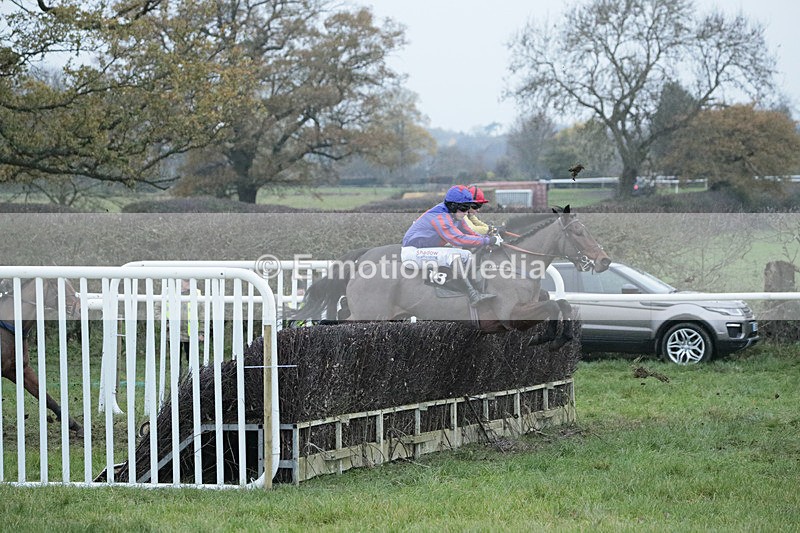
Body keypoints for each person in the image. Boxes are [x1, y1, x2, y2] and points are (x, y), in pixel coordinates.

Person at [401, 185, 502, 305]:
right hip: (412, 253)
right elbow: (457, 239)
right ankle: (473, 295)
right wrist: (488, 241)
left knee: (467, 254)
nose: (466, 212)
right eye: (464, 208)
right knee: (454, 256)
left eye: (468, 208)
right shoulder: (440, 216)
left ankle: (462, 286)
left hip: (426, 250)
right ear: (453, 206)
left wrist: (487, 239)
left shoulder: (455, 214)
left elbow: (469, 232)